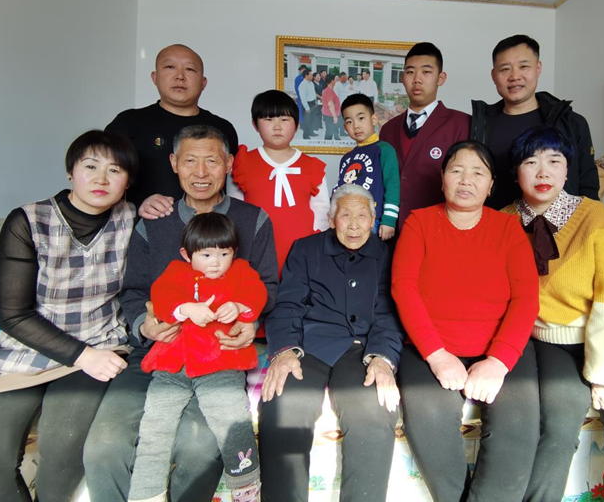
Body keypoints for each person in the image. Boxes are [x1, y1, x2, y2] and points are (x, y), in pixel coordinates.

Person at [83, 125, 279, 502]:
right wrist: (145, 326)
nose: (201, 172)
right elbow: (134, 291)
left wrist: (249, 319)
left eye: (212, 161)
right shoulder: (153, 221)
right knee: (104, 447)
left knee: (199, 449)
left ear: (229, 164)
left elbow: (267, 287)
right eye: (190, 161)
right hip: (160, 352)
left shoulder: (253, 220)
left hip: (218, 355)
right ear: (174, 163)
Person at [0, 130, 138, 502]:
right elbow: (12, 315)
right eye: (90, 166)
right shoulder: (28, 220)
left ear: (127, 182)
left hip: (100, 345)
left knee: (63, 451)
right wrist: (82, 355)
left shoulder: (131, 218)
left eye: (115, 170)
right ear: (70, 172)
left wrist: (92, 356)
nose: (101, 179)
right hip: (25, 351)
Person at [502, 126, 604, 501]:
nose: (543, 172)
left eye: (554, 161)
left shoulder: (593, 215)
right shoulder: (504, 221)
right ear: (516, 172)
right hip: (549, 340)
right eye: (531, 162)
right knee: (556, 426)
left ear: (567, 170)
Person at [392, 140, 540, 501]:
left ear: (491, 186)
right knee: (428, 420)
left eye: (478, 173)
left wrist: (499, 361)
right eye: (457, 170)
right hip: (431, 347)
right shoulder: (419, 223)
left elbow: (526, 299)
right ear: (442, 178)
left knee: (517, 424)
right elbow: (403, 288)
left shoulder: (508, 227)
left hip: (499, 348)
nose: (466, 180)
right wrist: (437, 355)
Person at [259, 185, 405, 501]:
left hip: (364, 348)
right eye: (345, 215)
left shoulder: (388, 254)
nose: (354, 225)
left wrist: (382, 357)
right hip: (311, 344)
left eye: (362, 215)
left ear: (373, 220)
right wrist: (285, 351)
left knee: (374, 408)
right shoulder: (305, 249)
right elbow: (288, 304)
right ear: (331, 219)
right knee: (283, 403)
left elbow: (390, 311)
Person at [128, 213, 266, 502]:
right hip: (172, 365)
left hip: (221, 362)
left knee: (232, 418)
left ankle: (245, 485)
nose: (215, 262)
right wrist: (186, 309)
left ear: (234, 252)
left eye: (224, 254)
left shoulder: (241, 271)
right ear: (186, 254)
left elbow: (257, 293)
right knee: (155, 427)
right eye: (205, 255)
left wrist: (239, 306)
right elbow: (161, 298)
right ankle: (146, 493)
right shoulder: (175, 272)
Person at [105, 44, 238, 216]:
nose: (180, 76)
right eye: (170, 67)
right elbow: (104, 179)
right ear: (155, 77)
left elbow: (232, 188)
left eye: (189, 69)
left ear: (203, 82)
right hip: (142, 225)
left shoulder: (221, 128)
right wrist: (137, 205)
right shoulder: (128, 122)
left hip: (209, 227)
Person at [471, 34, 599, 209]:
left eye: (524, 66)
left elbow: (588, 184)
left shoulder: (571, 123)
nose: (515, 76)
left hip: (562, 224)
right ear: (493, 75)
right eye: (505, 69)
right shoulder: (479, 126)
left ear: (538, 68)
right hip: (497, 222)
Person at [231, 90, 330, 273]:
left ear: (297, 125)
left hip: (302, 251)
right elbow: (234, 212)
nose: (277, 127)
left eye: (284, 119)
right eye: (268, 119)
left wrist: (316, 248)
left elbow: (322, 211)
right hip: (255, 250)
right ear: (255, 124)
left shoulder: (312, 166)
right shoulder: (243, 163)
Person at [380, 42, 471, 229]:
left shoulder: (461, 124)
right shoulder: (388, 129)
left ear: (441, 78)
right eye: (410, 72)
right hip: (391, 233)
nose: (417, 79)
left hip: (439, 230)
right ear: (403, 77)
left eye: (426, 72)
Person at [336, 93, 400, 240]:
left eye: (361, 118)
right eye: (349, 122)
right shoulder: (347, 158)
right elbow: (341, 189)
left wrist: (389, 220)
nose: (356, 126)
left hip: (373, 221)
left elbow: (392, 185)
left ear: (374, 119)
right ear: (345, 127)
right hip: (347, 222)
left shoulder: (384, 150)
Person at [321, 73, 343, 141]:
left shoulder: (329, 89)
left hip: (329, 114)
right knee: (329, 132)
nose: (336, 81)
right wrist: (335, 117)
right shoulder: (329, 90)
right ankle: (326, 146)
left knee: (330, 130)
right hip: (329, 115)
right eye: (335, 80)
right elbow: (330, 104)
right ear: (332, 81)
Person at [299, 69, 318, 140]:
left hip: (312, 102)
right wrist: (306, 108)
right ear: (306, 75)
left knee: (312, 119)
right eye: (310, 74)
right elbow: (303, 97)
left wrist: (315, 102)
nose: (312, 76)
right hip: (307, 104)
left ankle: (311, 132)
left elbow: (313, 93)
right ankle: (305, 134)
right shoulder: (303, 85)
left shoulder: (311, 83)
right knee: (307, 120)